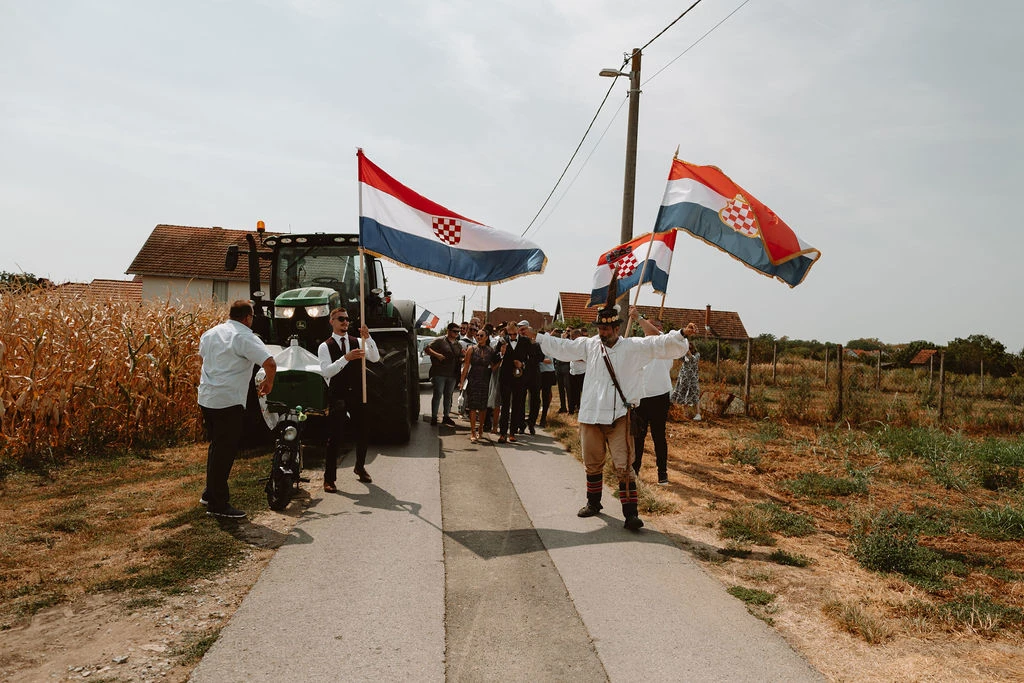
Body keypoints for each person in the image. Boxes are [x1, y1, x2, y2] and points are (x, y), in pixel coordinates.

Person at [532, 305, 689, 531]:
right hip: (591, 414)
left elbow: (659, 343)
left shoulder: (633, 346)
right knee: (592, 463)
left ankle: (631, 514)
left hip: (620, 417)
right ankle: (593, 503)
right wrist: (537, 337)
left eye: (607, 329)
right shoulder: (590, 345)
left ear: (617, 328)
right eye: (600, 329)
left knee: (624, 465)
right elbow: (564, 347)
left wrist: (681, 334)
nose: (602, 333)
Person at [198, 300, 276, 519]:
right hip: (228, 400)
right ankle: (218, 504)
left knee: (216, 448)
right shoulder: (244, 337)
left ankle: (209, 492)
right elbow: (270, 363)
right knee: (225, 452)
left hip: (206, 397)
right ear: (247, 318)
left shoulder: (211, 333)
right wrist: (268, 384)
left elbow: (202, 359)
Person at [318, 307, 380, 489]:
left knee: (363, 432)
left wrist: (368, 338)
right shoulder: (325, 346)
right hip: (338, 394)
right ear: (332, 321)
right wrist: (346, 358)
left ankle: (360, 467)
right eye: (341, 319)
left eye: (347, 319)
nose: (345, 322)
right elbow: (326, 371)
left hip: (358, 393)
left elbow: (375, 358)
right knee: (335, 436)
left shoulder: (357, 341)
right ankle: (329, 479)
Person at [630, 307, 673, 485]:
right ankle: (635, 471)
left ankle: (662, 473)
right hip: (641, 396)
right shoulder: (640, 344)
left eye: (652, 325)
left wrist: (639, 318)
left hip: (660, 396)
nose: (648, 328)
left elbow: (655, 335)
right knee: (638, 438)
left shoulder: (666, 342)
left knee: (659, 437)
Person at [459, 327, 501, 442]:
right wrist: (462, 382)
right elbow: (466, 366)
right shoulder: (471, 349)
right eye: (477, 335)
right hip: (473, 378)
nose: (479, 337)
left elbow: (493, 367)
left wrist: (501, 359)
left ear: (487, 337)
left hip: (485, 379)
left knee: (483, 407)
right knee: (472, 406)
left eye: (481, 335)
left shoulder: (490, 350)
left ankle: (480, 429)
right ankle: (473, 431)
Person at [496, 321, 532, 443]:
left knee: (517, 405)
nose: (511, 336)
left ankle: (512, 432)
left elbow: (532, 357)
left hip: (519, 377)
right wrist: (501, 353)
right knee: (505, 405)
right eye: (509, 334)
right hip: (505, 377)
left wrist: (523, 364)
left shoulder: (525, 341)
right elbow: (495, 358)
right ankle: (502, 433)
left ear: (518, 331)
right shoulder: (502, 341)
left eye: (514, 334)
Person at [426, 323, 464, 426]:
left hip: (452, 374)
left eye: (458, 332)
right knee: (437, 394)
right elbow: (427, 349)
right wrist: (437, 355)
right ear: (448, 330)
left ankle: (446, 416)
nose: (456, 333)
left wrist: (464, 357)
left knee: (448, 396)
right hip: (439, 373)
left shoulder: (458, 344)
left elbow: (460, 357)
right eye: (454, 331)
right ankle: (434, 417)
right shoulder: (439, 341)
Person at [671, 322, 702, 421]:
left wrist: (686, 347)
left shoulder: (696, 355)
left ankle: (698, 414)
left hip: (692, 378)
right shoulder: (684, 356)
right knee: (683, 394)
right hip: (684, 378)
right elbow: (678, 356)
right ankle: (685, 414)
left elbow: (692, 359)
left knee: (694, 395)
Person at [521, 321, 543, 435]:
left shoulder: (537, 344)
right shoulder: (521, 344)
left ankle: (531, 423)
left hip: (534, 375)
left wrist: (530, 358)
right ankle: (520, 423)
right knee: (520, 399)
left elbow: (541, 357)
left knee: (535, 401)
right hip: (522, 375)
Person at [536, 336, 556, 429]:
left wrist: (539, 359)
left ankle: (543, 419)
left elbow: (549, 361)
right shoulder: (536, 347)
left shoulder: (547, 349)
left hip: (547, 373)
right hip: (540, 373)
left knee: (545, 396)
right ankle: (535, 416)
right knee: (536, 396)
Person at [551, 329, 571, 413]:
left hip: (566, 365)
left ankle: (571, 408)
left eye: (567, 331)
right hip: (558, 365)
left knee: (568, 388)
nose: (565, 333)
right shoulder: (558, 341)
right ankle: (563, 407)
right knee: (560, 388)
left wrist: (565, 338)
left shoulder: (570, 342)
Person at [567, 328, 586, 414]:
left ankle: (581, 408)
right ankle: (571, 409)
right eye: (571, 337)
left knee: (582, 391)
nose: (572, 339)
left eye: (573, 337)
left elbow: (586, 358)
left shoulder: (584, 345)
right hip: (573, 371)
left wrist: (575, 358)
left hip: (582, 372)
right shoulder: (571, 345)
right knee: (572, 392)